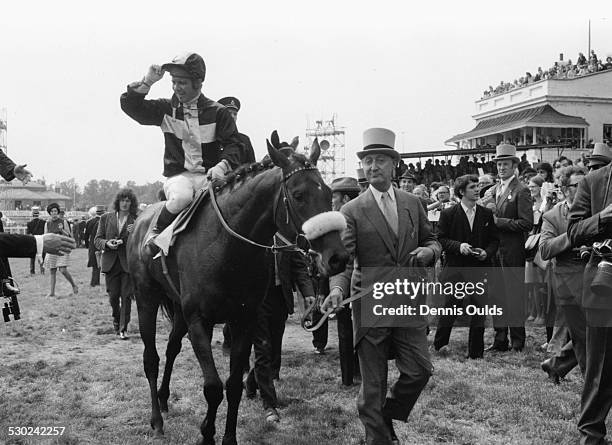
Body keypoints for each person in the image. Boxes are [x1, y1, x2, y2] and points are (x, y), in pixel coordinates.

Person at [322, 127, 440, 445]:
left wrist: (429, 251)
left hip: (409, 302)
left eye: (379, 161)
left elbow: (431, 240)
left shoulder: (413, 203)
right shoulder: (352, 210)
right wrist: (336, 290)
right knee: (372, 384)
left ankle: (385, 416)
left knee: (419, 370)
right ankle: (378, 437)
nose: (372, 167)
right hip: (370, 303)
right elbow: (343, 263)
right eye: (367, 161)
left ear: (394, 165)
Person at [120, 52, 243, 240]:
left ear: (198, 82)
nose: (176, 88)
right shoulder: (165, 109)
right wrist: (147, 82)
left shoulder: (219, 112)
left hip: (210, 177)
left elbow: (234, 144)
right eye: (174, 82)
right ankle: (155, 234)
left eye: (182, 82)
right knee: (182, 198)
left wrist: (223, 165)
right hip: (178, 178)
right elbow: (131, 107)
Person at [244, 234, 315, 422]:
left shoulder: (286, 237)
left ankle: (251, 382)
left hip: (279, 299)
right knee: (263, 348)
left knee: (273, 348)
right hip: (257, 299)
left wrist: (308, 292)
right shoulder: (254, 234)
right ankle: (269, 405)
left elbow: (299, 267)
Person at [567, 157, 612, 445]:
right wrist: (603, 218)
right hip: (605, 286)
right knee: (601, 368)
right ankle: (591, 435)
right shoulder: (595, 180)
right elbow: (573, 231)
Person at [433, 175, 499, 359]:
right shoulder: (448, 214)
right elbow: (441, 239)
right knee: (451, 307)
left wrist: (487, 252)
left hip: (480, 268)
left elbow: (494, 240)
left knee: (479, 310)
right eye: (472, 187)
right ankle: (440, 344)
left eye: (478, 186)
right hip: (456, 268)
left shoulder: (486, 214)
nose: (477, 189)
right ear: (461, 191)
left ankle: (476, 353)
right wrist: (458, 246)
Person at [539, 166, 587, 384]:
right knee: (587, 332)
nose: (586, 188)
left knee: (592, 332)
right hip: (568, 280)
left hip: (597, 276)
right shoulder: (552, 216)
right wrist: (573, 236)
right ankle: (592, 384)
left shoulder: (597, 210)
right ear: (565, 189)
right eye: (579, 185)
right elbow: (546, 249)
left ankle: (556, 365)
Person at [485, 144, 533, 352]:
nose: (501, 168)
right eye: (498, 164)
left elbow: (526, 223)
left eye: (505, 164)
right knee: (497, 295)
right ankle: (500, 339)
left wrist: (499, 222)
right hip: (494, 250)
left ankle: (517, 340)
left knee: (513, 295)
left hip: (512, 250)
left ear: (515, 165)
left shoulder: (521, 190)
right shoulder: (492, 190)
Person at [95, 190, 138, 339]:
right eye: (122, 200)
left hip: (128, 263)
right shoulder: (106, 218)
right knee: (113, 297)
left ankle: (123, 328)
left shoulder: (137, 219)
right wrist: (107, 243)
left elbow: (142, 242)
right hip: (110, 263)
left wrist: (136, 232)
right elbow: (97, 240)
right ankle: (116, 319)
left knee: (126, 297)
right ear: (118, 202)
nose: (125, 203)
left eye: (128, 200)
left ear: (131, 203)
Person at [44, 203, 79, 297]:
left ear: (58, 212)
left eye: (55, 211)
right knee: (52, 270)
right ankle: (52, 292)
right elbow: (45, 237)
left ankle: (74, 285)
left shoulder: (63, 222)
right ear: (49, 213)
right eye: (52, 211)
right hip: (51, 249)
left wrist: (62, 230)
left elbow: (69, 235)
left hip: (62, 247)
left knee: (63, 270)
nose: (54, 213)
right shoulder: (47, 223)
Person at [217, 96, 256, 164]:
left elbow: (253, 167)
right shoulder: (211, 139)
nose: (232, 116)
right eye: (229, 113)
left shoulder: (244, 140)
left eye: (235, 114)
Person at [84, 206, 104, 287]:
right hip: (102, 244)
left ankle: (94, 281)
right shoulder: (105, 221)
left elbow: (86, 235)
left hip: (92, 244)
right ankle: (96, 282)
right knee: (99, 263)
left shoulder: (89, 222)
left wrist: (87, 245)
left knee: (95, 265)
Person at [26, 207, 46, 275]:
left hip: (33, 240)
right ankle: (42, 270)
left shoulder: (29, 223)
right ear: (38, 214)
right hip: (41, 240)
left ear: (32, 214)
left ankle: (32, 271)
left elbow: (28, 233)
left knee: (32, 257)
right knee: (42, 256)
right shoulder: (43, 222)